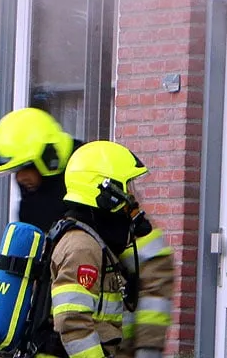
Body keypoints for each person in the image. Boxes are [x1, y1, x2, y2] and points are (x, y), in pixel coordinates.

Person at [49, 141, 174, 358]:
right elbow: (72, 321)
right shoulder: (82, 248)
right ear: (109, 196)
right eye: (127, 188)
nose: (133, 201)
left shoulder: (98, 243)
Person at [0, 107, 80, 231]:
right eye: (15, 171)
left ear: (48, 159)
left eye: (25, 167)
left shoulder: (83, 183)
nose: (20, 178)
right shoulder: (32, 201)